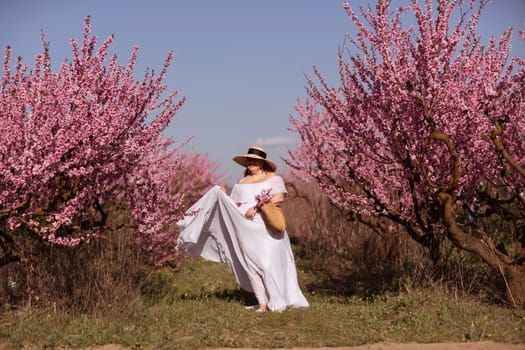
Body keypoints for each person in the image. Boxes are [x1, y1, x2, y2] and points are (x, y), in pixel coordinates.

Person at [176, 146, 309, 312]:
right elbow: (235, 204)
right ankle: (262, 304)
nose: (251, 163)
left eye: (254, 160)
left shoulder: (274, 179)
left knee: (268, 264)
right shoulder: (241, 182)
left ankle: (277, 301)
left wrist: (258, 206)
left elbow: (278, 198)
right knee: (251, 265)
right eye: (249, 160)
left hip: (266, 226)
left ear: (262, 163)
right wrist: (223, 195)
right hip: (245, 228)